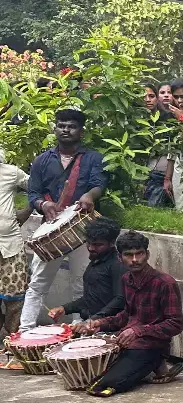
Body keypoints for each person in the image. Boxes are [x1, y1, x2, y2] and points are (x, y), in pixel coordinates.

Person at [19, 108, 108, 329]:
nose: (66, 130)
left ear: (81, 131)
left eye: (71, 126)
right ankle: (25, 329)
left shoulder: (93, 158)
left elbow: (99, 183)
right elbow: (33, 193)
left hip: (82, 228)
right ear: (55, 129)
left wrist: (90, 195)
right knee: (38, 281)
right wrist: (43, 205)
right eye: (61, 125)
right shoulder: (42, 160)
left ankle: (79, 328)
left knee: (81, 281)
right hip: (50, 227)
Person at [70, 231, 183, 397]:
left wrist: (138, 331)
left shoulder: (165, 282)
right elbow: (127, 315)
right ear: (120, 257)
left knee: (102, 386)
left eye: (139, 254)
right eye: (129, 255)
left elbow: (176, 324)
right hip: (125, 343)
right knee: (84, 373)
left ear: (147, 255)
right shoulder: (126, 280)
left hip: (152, 346)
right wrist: (99, 323)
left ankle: (156, 363)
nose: (135, 260)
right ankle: (148, 368)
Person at [47, 216, 123, 325]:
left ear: (111, 243)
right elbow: (91, 299)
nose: (91, 248)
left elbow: (120, 300)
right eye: (89, 243)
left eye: (98, 245)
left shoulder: (117, 265)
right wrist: (64, 308)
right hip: (90, 323)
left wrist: (94, 320)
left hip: (107, 326)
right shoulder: (96, 260)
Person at [0, 150, 32, 339]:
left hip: (9, 244)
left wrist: (27, 210)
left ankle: (13, 341)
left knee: (16, 297)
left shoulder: (11, 172)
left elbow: (36, 187)